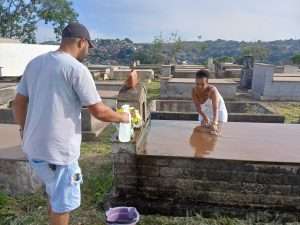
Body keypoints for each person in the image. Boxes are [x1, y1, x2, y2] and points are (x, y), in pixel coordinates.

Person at [13, 22, 129, 225]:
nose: (87, 52)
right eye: (88, 47)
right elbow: (99, 111)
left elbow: (19, 102)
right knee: (63, 205)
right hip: (59, 153)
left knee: (54, 193)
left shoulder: (35, 63)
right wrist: (124, 117)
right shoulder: (76, 69)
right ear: (82, 42)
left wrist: (24, 128)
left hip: (34, 149)